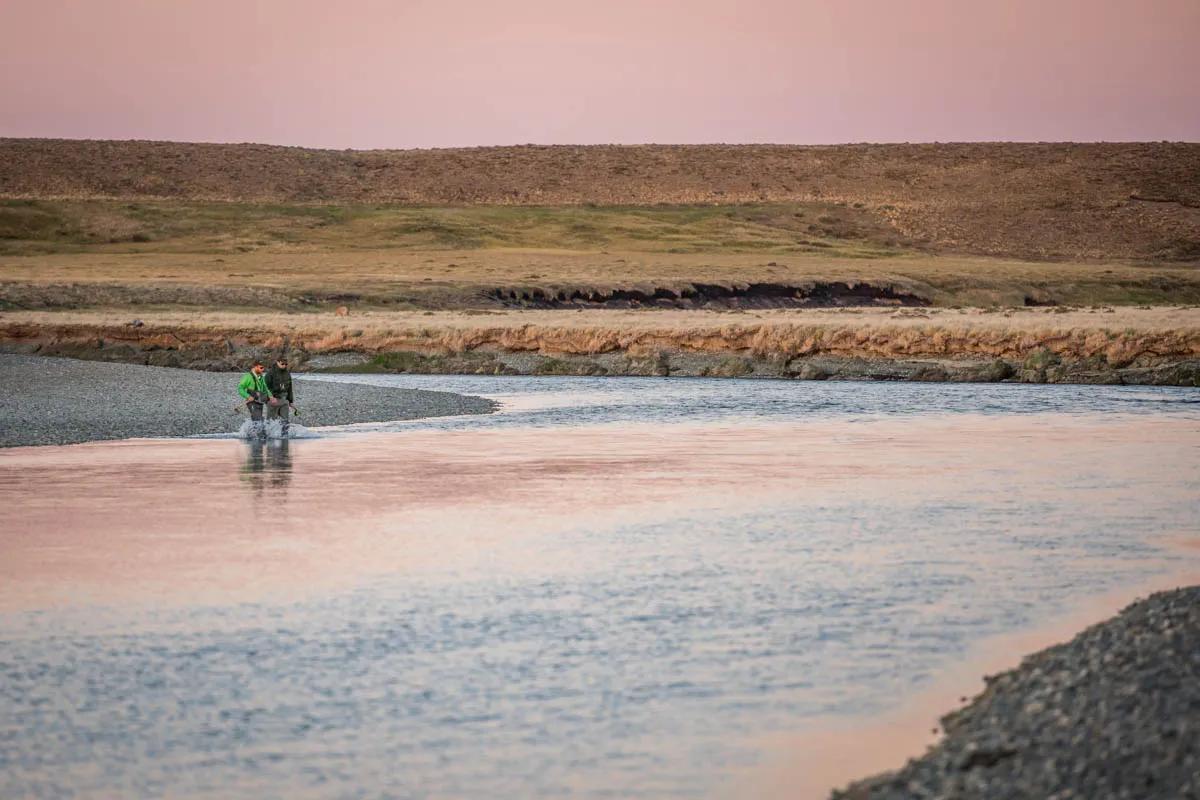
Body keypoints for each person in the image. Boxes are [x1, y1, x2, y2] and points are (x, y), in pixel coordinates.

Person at [237, 360, 272, 435]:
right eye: (261, 368)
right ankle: (259, 436)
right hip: (251, 402)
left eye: (263, 368)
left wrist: (271, 396)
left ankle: (251, 435)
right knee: (258, 419)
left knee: (257, 419)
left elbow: (265, 389)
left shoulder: (261, 377)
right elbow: (240, 388)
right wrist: (248, 396)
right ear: (255, 367)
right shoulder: (247, 377)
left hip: (260, 402)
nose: (263, 369)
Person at [264, 356, 296, 436]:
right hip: (272, 400)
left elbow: (290, 388)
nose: (284, 365)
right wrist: (270, 397)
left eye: (286, 364)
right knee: (271, 420)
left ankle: (284, 436)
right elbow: (264, 387)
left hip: (284, 400)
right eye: (282, 364)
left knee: (285, 420)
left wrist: (290, 401)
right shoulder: (270, 373)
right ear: (277, 362)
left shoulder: (287, 374)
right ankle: (268, 435)